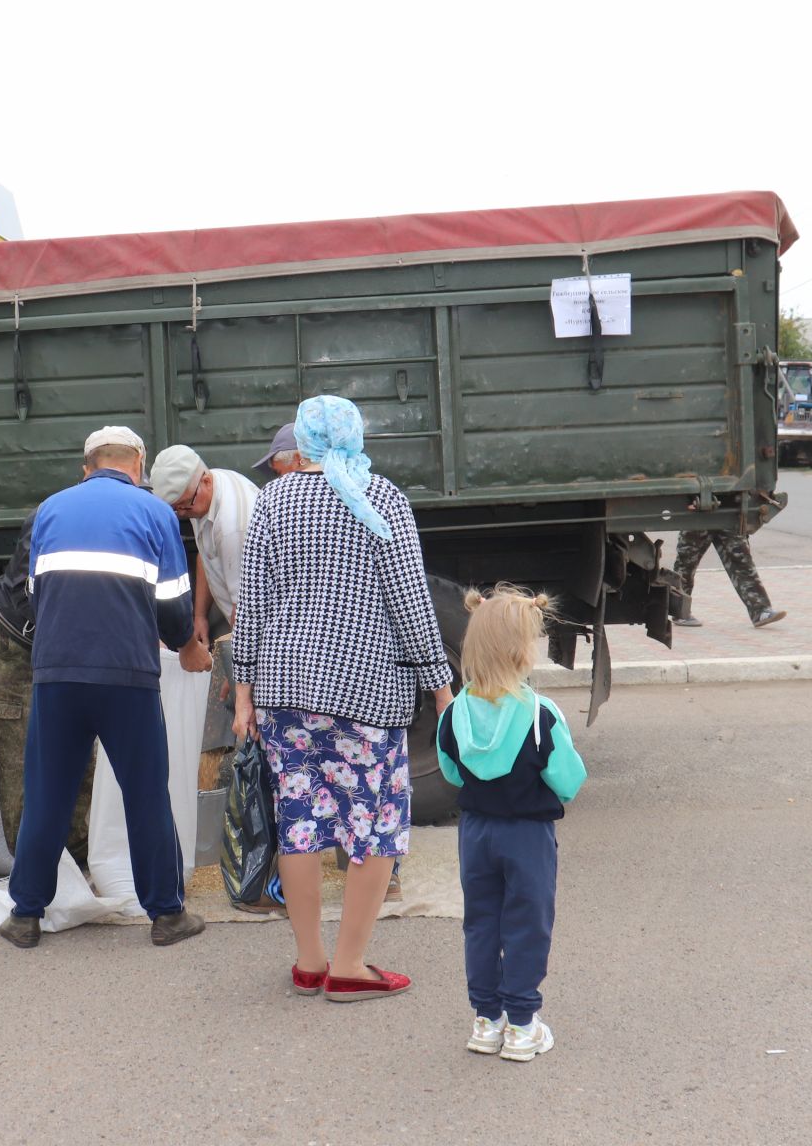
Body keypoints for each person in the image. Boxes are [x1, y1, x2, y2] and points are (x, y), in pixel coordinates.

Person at [231, 395, 453, 1001]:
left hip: (283, 688)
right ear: (355, 435)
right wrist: (440, 681)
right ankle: (350, 967)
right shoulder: (379, 497)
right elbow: (409, 599)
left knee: (298, 823)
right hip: (367, 689)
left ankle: (309, 961)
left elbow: (251, 605)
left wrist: (243, 694)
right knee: (377, 825)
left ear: (301, 439)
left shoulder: (272, 501)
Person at [2, 426, 204, 949]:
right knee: (145, 794)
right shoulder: (155, 512)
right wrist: (184, 643)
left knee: (47, 794)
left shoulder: (49, 510)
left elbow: (32, 595)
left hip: (58, 674)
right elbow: (175, 605)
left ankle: (25, 915)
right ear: (137, 463)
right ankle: (166, 915)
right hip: (127, 677)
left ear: (85, 464)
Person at [437, 584, 587, 1062]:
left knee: (482, 922)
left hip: (476, 832)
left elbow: (450, 770)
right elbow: (568, 778)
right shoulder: (540, 715)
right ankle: (522, 1023)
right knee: (527, 923)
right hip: (527, 835)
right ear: (524, 651)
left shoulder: (454, 713)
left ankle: (486, 1019)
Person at [0, 504, 94, 864]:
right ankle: (27, 861)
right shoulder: (52, 519)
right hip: (16, 645)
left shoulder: (116, 523)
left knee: (80, 747)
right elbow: (38, 598)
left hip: (64, 647)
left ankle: (75, 854)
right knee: (21, 749)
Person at [148, 445, 259, 672]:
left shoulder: (234, 528)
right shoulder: (204, 491)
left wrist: (237, 670)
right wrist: (199, 617)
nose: (181, 514)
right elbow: (206, 553)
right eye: (175, 509)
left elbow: (245, 611)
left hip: (258, 634)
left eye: (183, 506)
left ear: (205, 482)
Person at [670, 526, 785, 628]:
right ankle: (679, 612)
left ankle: (760, 611)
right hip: (696, 515)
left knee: (741, 560)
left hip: (727, 513)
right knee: (686, 563)